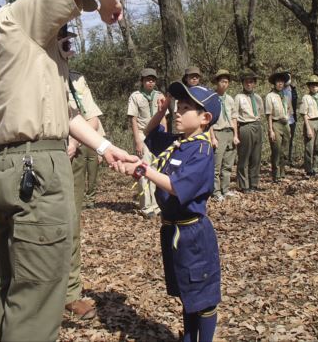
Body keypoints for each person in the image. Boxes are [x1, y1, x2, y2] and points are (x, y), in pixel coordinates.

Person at [0, 0, 135, 342]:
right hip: (34, 168)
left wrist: (103, 147)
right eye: (72, 3)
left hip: (16, 163)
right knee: (38, 302)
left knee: (16, 289)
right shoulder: (24, 17)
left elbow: (63, 113)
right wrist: (109, 3)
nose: (71, 15)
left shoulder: (36, 45)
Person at [117, 82, 222, 342]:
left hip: (193, 234)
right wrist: (161, 111)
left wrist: (144, 170)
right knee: (188, 294)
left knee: (204, 297)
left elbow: (176, 187)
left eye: (185, 108)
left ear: (204, 119)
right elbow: (147, 134)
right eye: (178, 106)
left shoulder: (201, 150)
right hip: (173, 230)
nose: (177, 111)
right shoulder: (178, 142)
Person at [66, 66, 104, 320]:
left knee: (71, 223)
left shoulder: (76, 79)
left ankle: (69, 294)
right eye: (62, 38)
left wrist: (75, 141)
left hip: (74, 153)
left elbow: (90, 115)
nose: (68, 44)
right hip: (39, 156)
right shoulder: (34, 69)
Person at [127, 68, 167, 218]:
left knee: (156, 170)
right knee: (143, 170)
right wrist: (138, 140)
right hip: (143, 135)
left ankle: (156, 205)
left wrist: (165, 137)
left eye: (153, 79)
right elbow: (133, 119)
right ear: (142, 81)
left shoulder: (160, 96)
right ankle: (146, 206)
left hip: (157, 136)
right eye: (147, 79)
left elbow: (163, 117)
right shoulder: (135, 96)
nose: (150, 82)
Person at [210, 69, 238, 200]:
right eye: (222, 81)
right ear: (217, 82)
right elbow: (208, 120)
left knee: (228, 165)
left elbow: (234, 118)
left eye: (227, 82)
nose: (224, 84)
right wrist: (212, 137)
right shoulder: (212, 98)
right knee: (216, 166)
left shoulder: (230, 99)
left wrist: (235, 135)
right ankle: (216, 192)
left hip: (229, 133)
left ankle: (225, 190)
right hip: (218, 132)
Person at [234, 69, 264, 192]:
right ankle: (243, 184)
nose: (249, 84)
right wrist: (236, 133)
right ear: (243, 83)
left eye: (251, 82)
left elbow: (260, 112)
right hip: (245, 126)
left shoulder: (257, 97)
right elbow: (234, 116)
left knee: (256, 157)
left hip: (257, 125)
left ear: (254, 83)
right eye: (246, 82)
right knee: (244, 157)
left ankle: (254, 183)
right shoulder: (238, 97)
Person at [299, 75, 318, 176]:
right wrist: (308, 128)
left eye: (316, 85)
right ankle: (308, 169)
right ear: (309, 87)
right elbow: (304, 114)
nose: (314, 88)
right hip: (310, 122)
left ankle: (317, 168)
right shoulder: (306, 98)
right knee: (309, 147)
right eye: (312, 86)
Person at [265, 69, 292, 183]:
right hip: (275, 124)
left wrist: (288, 119)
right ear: (274, 83)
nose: (280, 84)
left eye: (282, 82)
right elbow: (269, 115)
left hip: (285, 124)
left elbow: (289, 109)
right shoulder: (270, 96)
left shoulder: (285, 96)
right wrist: (270, 130)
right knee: (276, 149)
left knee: (285, 150)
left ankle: (282, 172)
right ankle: (276, 175)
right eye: (278, 82)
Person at [283, 74, 298, 166]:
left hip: (291, 119)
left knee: (290, 140)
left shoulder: (293, 90)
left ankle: (289, 159)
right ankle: (282, 161)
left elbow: (295, 103)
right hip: (282, 119)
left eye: (289, 78)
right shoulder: (277, 90)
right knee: (282, 141)